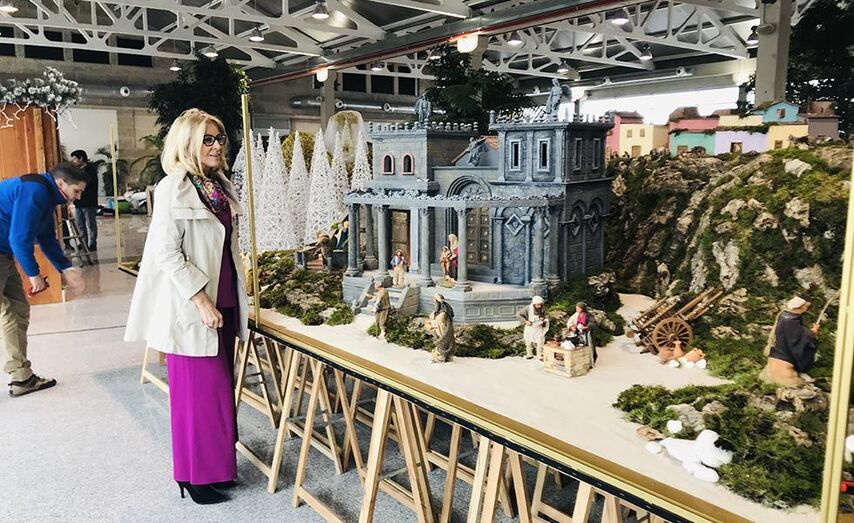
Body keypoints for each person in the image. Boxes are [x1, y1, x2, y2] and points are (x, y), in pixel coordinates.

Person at [125, 109, 249, 505]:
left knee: (218, 394)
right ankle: (193, 476)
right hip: (194, 307)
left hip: (225, 301)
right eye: (207, 139)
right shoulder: (173, 188)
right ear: (187, 143)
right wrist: (200, 299)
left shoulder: (217, 186)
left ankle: (218, 469)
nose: (216, 145)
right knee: (196, 396)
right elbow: (166, 252)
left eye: (219, 138)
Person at [0, 163, 87, 396]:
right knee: (10, 312)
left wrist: (66, 268)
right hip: (4, 252)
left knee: (16, 310)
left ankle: (22, 378)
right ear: (61, 183)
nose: (78, 197)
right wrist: (33, 273)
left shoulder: (45, 195)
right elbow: (19, 238)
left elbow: (47, 238)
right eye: (76, 191)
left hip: (3, 255)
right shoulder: (35, 191)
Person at [760, 296, 819, 387]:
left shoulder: (784, 316)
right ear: (798, 308)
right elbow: (799, 337)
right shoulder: (791, 321)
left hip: (781, 347)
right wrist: (812, 333)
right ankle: (802, 370)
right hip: (785, 351)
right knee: (806, 348)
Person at [69, 150, 99, 251]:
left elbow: (86, 184)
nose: (73, 161)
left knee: (91, 224)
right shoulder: (76, 171)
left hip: (89, 202)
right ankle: (83, 243)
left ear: (81, 158)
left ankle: (93, 243)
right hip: (78, 202)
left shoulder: (90, 170)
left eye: (74, 159)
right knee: (80, 224)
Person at [518, 295, 549, 360]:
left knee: (540, 341)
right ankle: (529, 354)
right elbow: (518, 314)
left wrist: (544, 319)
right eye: (537, 305)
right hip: (530, 328)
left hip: (538, 328)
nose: (539, 306)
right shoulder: (527, 308)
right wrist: (526, 321)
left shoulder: (542, 309)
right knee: (528, 341)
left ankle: (539, 355)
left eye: (540, 305)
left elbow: (546, 315)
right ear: (534, 304)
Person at [428, 293, 455, 363]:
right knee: (440, 344)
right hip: (438, 331)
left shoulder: (444, 313)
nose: (433, 301)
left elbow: (445, 324)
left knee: (443, 344)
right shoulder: (437, 312)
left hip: (443, 332)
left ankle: (442, 358)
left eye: (435, 300)